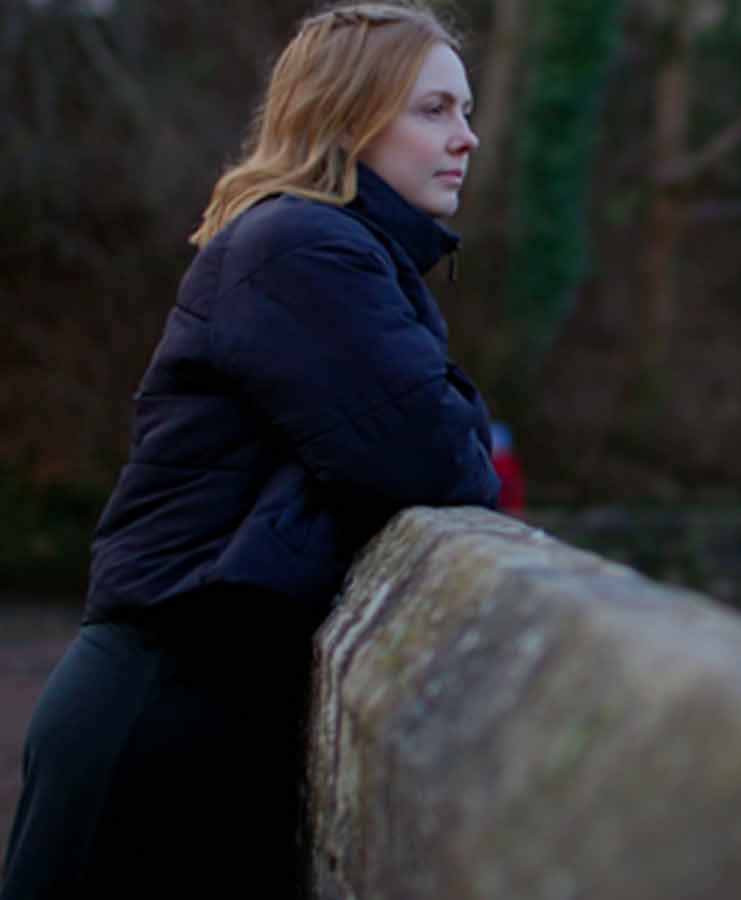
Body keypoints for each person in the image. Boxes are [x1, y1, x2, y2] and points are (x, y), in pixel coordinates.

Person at [1, 3, 499, 896]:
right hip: (157, 721)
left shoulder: (344, 253)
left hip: (210, 715)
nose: (466, 137)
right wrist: (454, 407)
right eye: (435, 110)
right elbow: (441, 463)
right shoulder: (299, 248)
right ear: (346, 115)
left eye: (464, 110)